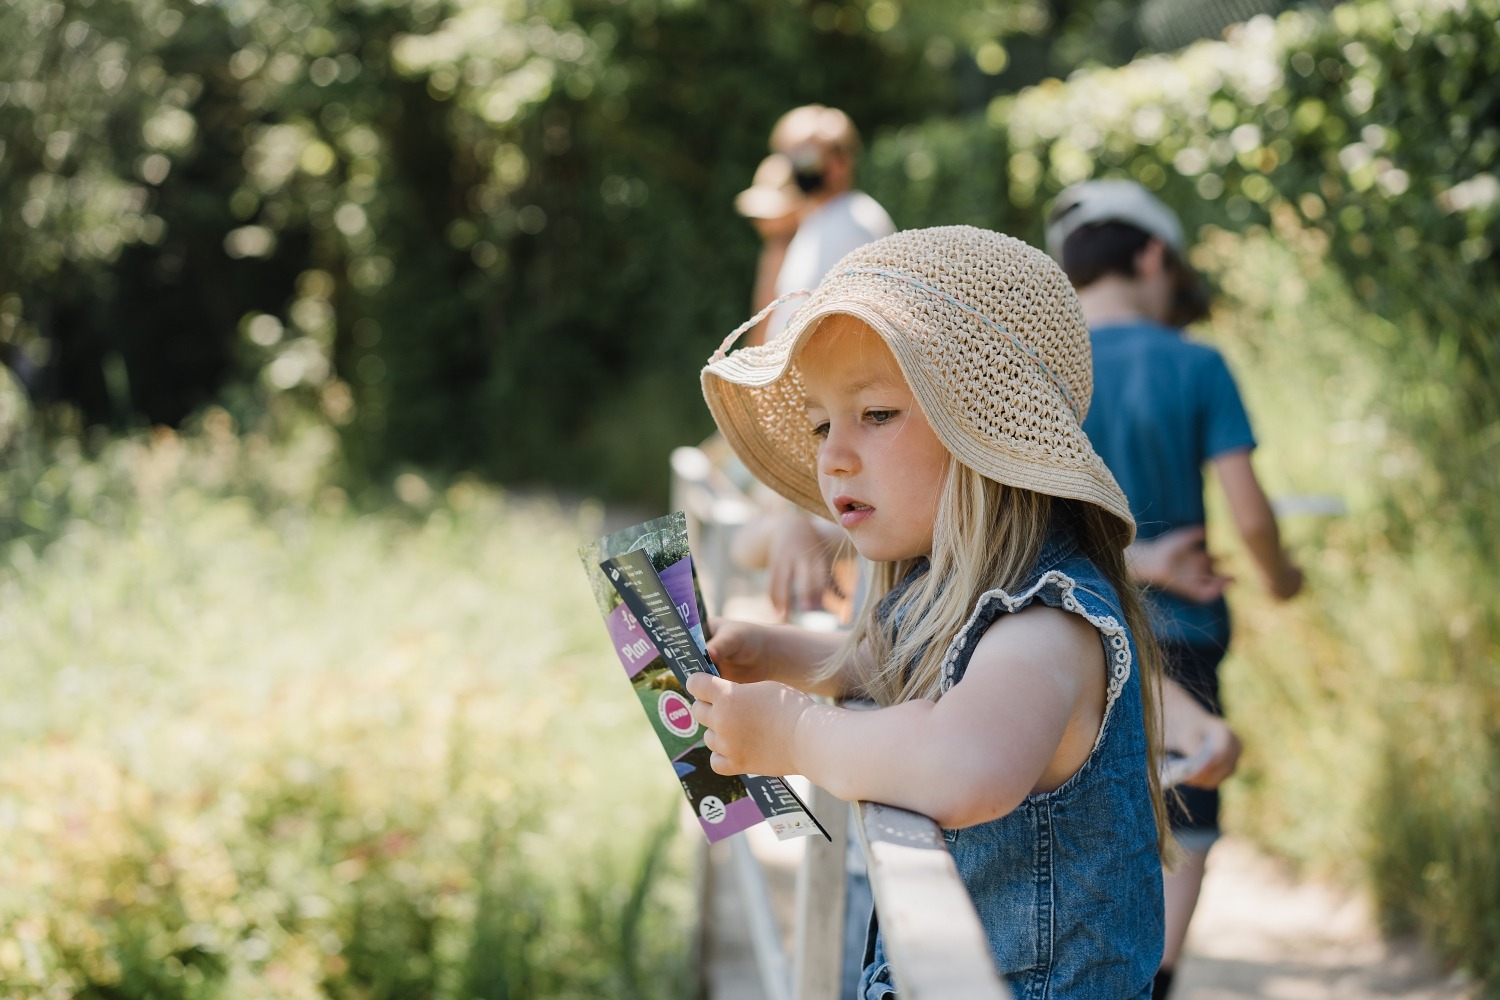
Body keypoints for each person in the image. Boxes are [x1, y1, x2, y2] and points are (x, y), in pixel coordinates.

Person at [691, 226, 1171, 997]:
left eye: (876, 415)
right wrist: (772, 652)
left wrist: (795, 732)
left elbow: (964, 765)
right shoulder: (954, 603)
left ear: (989, 434)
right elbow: (893, 664)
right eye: (820, 424)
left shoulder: (1046, 628)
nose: (832, 456)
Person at [1045, 178, 1304, 999]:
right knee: (1185, 824)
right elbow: (1251, 515)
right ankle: (1153, 983)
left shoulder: (1044, 370)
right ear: (1153, 254)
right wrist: (1281, 579)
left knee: (1089, 823)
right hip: (1182, 635)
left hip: (1068, 632)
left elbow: (1036, 518)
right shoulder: (1196, 363)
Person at [747, 104, 895, 348]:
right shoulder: (820, 221)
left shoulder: (854, 224)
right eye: (788, 157)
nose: (794, 167)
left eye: (805, 157)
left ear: (840, 162)